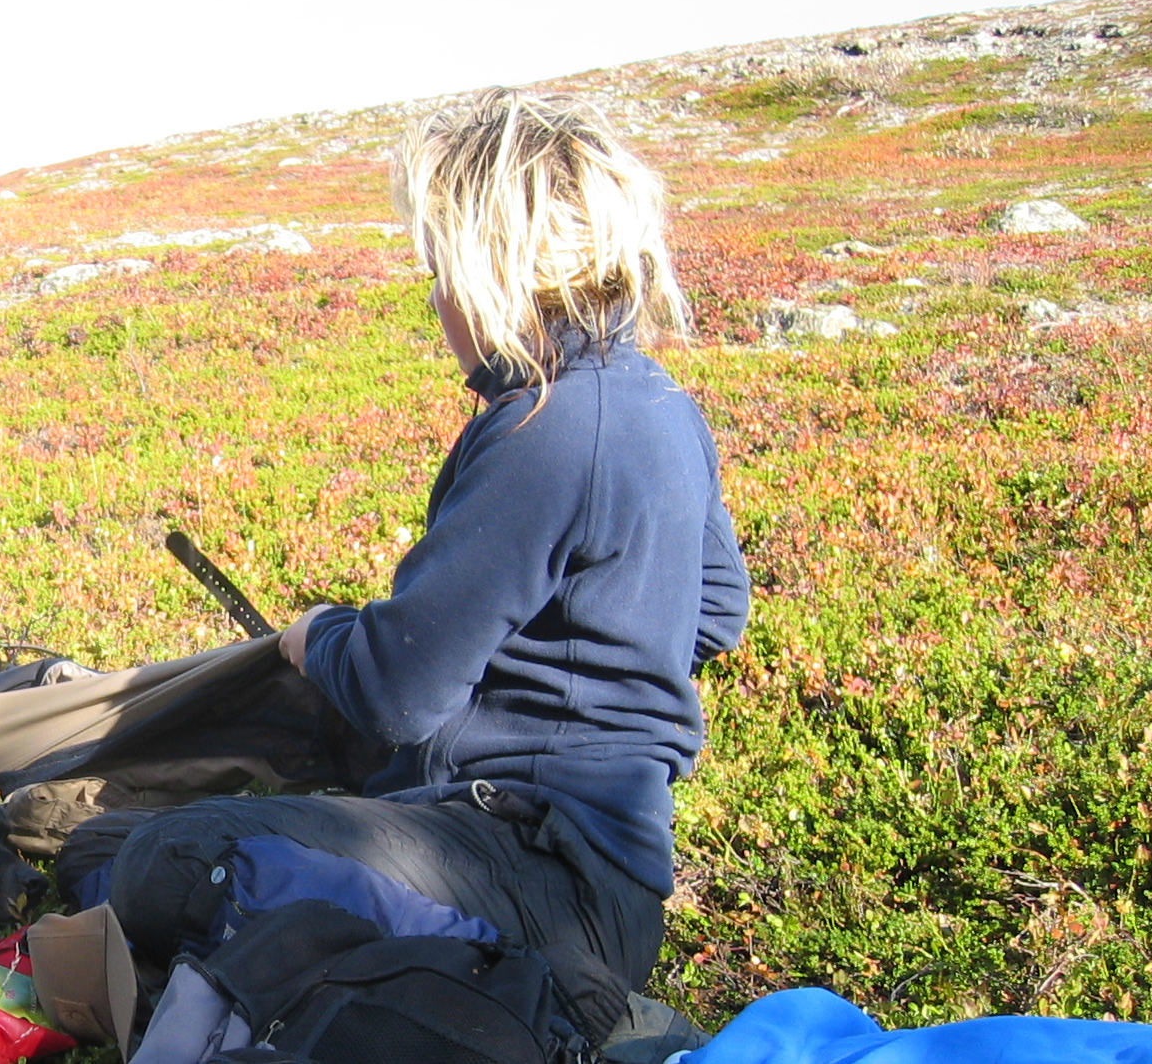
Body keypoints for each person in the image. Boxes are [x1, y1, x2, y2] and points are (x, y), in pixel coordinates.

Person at [61, 88, 750, 1045]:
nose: (434, 300)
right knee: (108, 847)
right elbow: (714, 613)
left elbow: (397, 691)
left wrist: (319, 635)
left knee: (155, 862)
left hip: (534, 873)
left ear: (494, 271)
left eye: (439, 269)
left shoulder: (546, 430)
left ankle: (555, 1000)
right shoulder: (662, 407)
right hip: (612, 875)